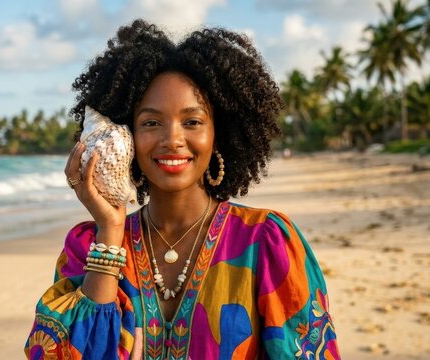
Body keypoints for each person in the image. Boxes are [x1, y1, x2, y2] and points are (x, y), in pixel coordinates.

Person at [25, 19, 339, 359]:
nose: (172, 139)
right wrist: (110, 230)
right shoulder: (88, 246)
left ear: (219, 133)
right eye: (151, 123)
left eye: (192, 121)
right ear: (127, 133)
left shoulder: (265, 242)